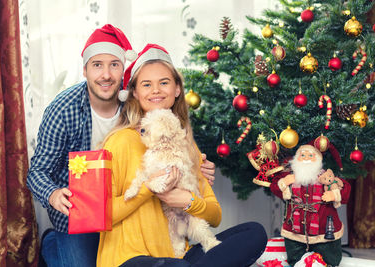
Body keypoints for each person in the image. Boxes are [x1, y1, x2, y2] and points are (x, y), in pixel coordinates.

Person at [26, 25, 216, 267]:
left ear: (123, 70)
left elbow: (166, 142)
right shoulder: (63, 110)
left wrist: (195, 169)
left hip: (125, 209)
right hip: (79, 214)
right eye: (97, 65)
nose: (106, 75)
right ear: (84, 70)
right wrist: (52, 194)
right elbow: (38, 171)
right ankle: (53, 243)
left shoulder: (138, 101)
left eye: (114, 65)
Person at [96, 43, 267, 267]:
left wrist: (189, 202)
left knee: (254, 233)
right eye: (146, 84)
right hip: (128, 260)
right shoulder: (119, 142)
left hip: (178, 257)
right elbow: (100, 216)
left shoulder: (185, 145)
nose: (156, 90)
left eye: (164, 82)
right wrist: (148, 188)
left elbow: (215, 216)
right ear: (135, 93)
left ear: (177, 89)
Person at [270, 145, 351, 266]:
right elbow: (274, 187)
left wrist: (334, 195)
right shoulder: (290, 178)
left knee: (330, 260)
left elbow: (345, 189)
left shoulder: (326, 178)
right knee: (295, 260)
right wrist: (285, 182)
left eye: (310, 155)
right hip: (295, 232)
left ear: (318, 160)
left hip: (324, 232)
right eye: (302, 155)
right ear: (297, 159)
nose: (306, 158)